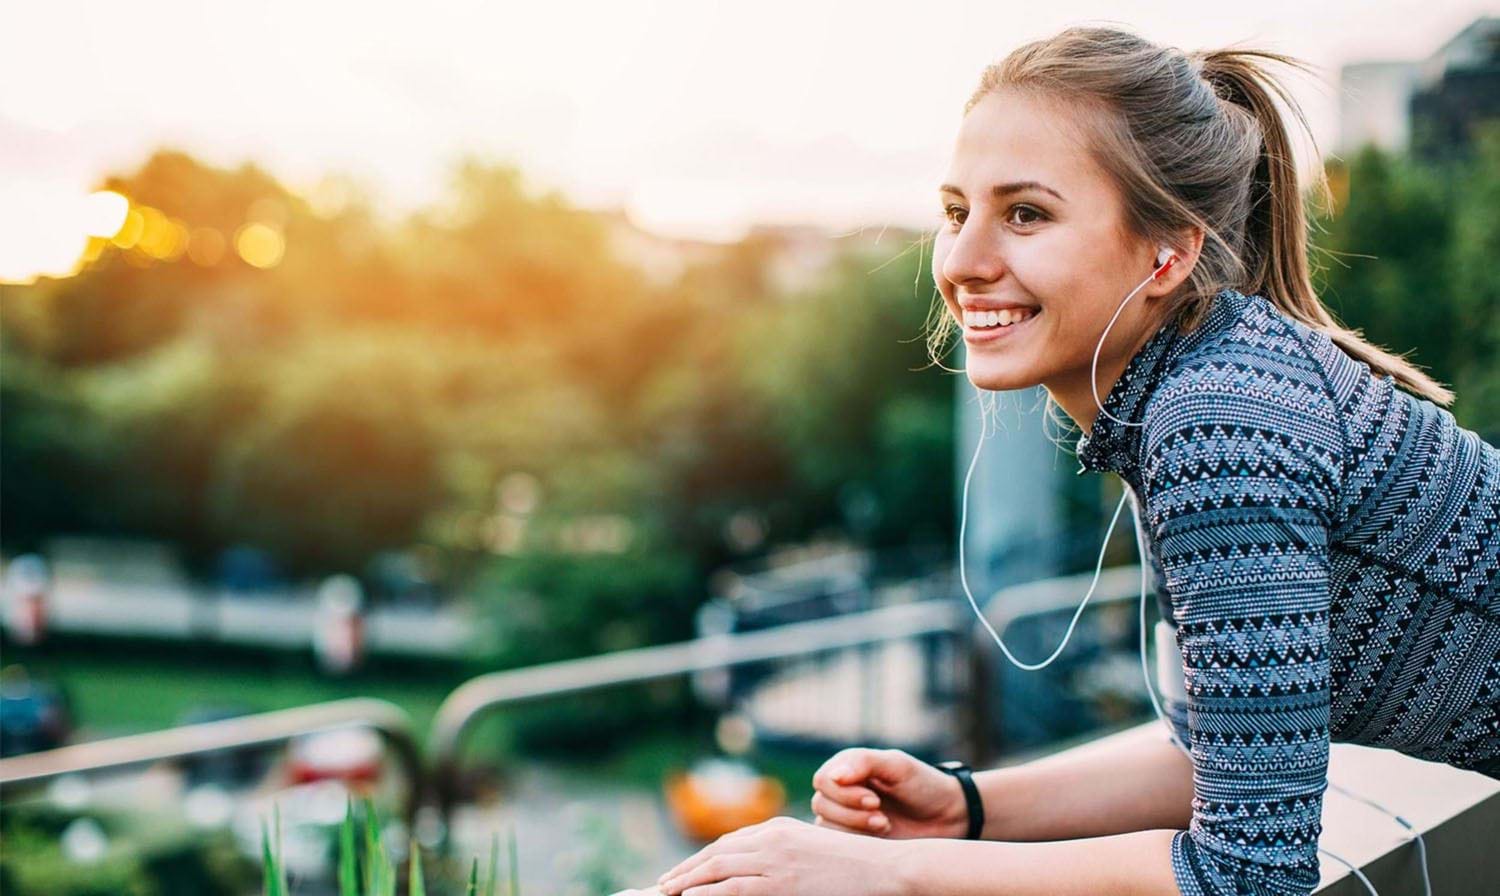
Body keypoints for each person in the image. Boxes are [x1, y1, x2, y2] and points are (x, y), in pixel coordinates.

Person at [645, 23, 1499, 896]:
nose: (964, 262)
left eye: (1026, 214)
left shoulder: (1221, 423)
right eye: (955, 212)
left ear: (1170, 252)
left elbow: (1250, 875)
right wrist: (966, 809)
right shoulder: (1197, 385)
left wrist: (887, 872)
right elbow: (1216, 755)